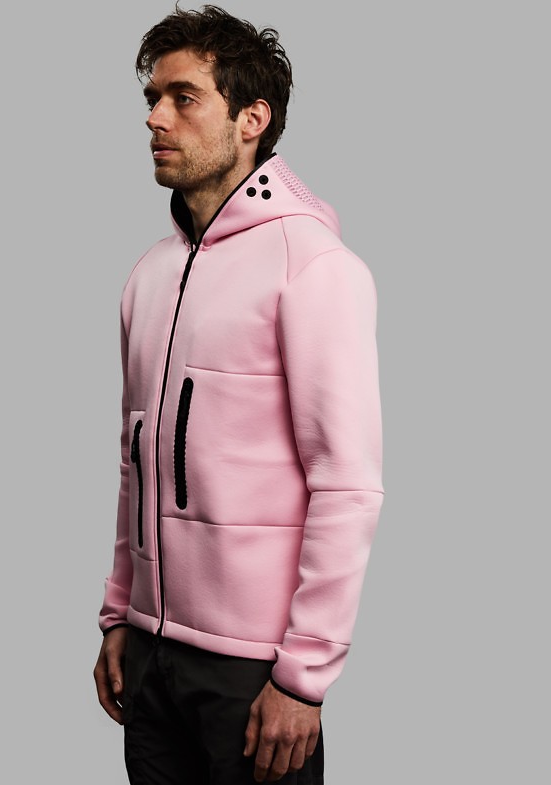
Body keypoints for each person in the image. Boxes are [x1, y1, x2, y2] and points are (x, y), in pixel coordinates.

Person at [90, 6, 385, 783]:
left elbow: (347, 483)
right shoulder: (149, 274)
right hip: (150, 654)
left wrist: (304, 674)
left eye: (183, 98)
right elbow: (135, 461)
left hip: (254, 669)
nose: (155, 118)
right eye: (153, 98)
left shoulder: (313, 267)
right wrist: (120, 612)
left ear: (252, 119)